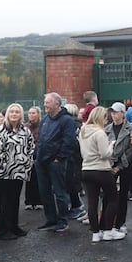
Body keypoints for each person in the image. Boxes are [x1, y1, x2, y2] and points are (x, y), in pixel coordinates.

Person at [79, 107, 124, 242]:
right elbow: (105, 154)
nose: (106, 121)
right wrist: (111, 145)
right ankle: (108, 231)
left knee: (92, 203)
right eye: (105, 118)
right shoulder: (100, 133)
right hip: (101, 170)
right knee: (112, 199)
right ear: (100, 118)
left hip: (86, 169)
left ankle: (95, 233)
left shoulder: (83, 131)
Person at [35, 92, 78, 233]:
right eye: (45, 102)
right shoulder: (45, 119)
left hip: (56, 162)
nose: (44, 104)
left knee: (60, 192)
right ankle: (51, 219)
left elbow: (69, 141)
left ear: (57, 104)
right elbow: (41, 139)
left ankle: (62, 221)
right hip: (41, 162)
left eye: (47, 102)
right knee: (44, 192)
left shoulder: (67, 120)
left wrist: (59, 158)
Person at [0, 103, 34, 240]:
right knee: (5, 202)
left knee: (15, 200)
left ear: (21, 114)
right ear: (7, 114)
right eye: (12, 112)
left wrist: (27, 165)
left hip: (19, 172)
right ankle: (2, 231)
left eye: (17, 112)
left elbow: (30, 148)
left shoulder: (25, 131)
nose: (14, 114)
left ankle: (13, 226)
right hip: (3, 173)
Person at [105, 102, 132, 234]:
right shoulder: (107, 129)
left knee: (123, 195)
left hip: (125, 165)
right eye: (112, 112)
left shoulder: (130, 128)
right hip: (109, 164)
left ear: (123, 113)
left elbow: (131, 149)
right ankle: (108, 223)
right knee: (108, 195)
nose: (114, 115)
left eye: (116, 112)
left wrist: (119, 166)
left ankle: (121, 222)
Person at [24, 106, 42, 210]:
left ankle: (39, 201)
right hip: (28, 155)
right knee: (29, 179)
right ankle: (29, 201)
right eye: (30, 113)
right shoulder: (25, 127)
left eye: (33, 113)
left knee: (39, 178)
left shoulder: (42, 126)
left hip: (39, 155)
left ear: (38, 114)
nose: (31, 115)